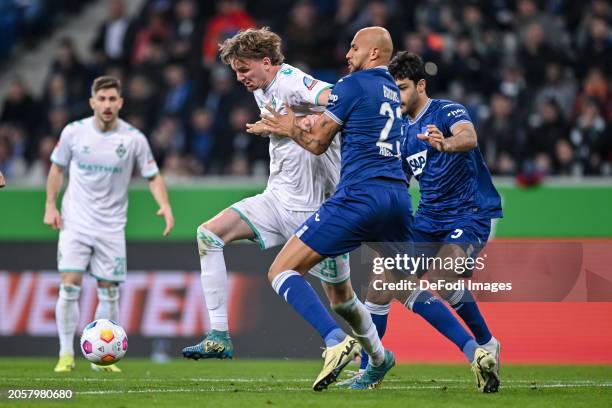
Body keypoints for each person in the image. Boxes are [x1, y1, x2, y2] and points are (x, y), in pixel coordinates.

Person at [180, 27, 363, 392]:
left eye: (245, 69)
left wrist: (306, 122)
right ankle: (219, 335)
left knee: (342, 299)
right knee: (208, 234)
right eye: (236, 71)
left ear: (267, 62)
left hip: (316, 211)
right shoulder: (263, 88)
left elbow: (335, 97)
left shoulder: (294, 81)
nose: (240, 78)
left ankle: (372, 355)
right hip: (277, 199)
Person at [253, 26, 412, 390]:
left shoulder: (351, 85)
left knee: (281, 270)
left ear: (373, 53)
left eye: (354, 48)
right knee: (402, 287)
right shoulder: (392, 91)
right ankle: (479, 346)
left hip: (357, 197)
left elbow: (317, 143)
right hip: (398, 198)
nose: (347, 54)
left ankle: (335, 341)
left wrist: (286, 126)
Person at [353, 52, 502, 393]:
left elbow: (469, 137)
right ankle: (370, 369)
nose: (398, 96)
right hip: (428, 218)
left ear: (421, 85)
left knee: (442, 274)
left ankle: (485, 343)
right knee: (381, 282)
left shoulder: (447, 111)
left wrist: (446, 143)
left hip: (470, 214)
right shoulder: (401, 131)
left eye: (403, 88)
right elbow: (399, 182)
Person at [44, 76, 174, 373]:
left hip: (111, 226)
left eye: (112, 99)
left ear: (120, 103)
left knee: (109, 290)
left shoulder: (133, 139)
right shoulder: (73, 133)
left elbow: (152, 176)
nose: (107, 104)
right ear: (92, 102)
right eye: (101, 99)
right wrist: (50, 205)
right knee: (69, 286)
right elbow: (56, 168)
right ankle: (66, 354)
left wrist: (164, 205)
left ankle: (102, 361)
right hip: (75, 220)